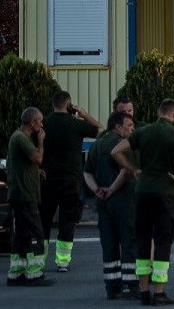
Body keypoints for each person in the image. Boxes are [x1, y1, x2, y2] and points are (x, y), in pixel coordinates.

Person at [111, 98, 174, 306]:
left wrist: (132, 169)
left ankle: (143, 291)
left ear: (158, 112)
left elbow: (115, 151)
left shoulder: (143, 132)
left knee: (143, 239)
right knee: (162, 240)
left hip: (142, 191)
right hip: (165, 191)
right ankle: (159, 291)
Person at [40, 90, 102, 273]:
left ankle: (39, 259)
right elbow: (100, 130)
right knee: (67, 220)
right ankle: (63, 261)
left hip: (47, 179)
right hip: (71, 179)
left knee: (43, 219)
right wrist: (83, 114)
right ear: (69, 105)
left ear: (53, 104)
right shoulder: (76, 124)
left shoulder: (44, 124)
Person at [83, 110, 139, 300]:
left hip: (103, 203)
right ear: (118, 127)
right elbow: (126, 170)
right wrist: (111, 190)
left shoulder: (97, 144)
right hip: (122, 200)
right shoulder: (122, 145)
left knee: (109, 243)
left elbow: (87, 172)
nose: (132, 129)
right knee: (129, 240)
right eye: (129, 126)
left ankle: (112, 286)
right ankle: (131, 285)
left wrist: (97, 190)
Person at [6, 107, 54, 287]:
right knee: (36, 233)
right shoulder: (22, 138)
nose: (41, 125)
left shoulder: (17, 138)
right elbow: (37, 158)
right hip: (25, 194)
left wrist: (36, 171)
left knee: (22, 235)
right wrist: (41, 141)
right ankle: (34, 274)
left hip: (19, 193)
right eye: (40, 121)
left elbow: (25, 163)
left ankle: (16, 273)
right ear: (32, 122)